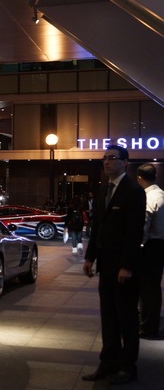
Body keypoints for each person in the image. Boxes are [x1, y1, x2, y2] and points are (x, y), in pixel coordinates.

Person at [82, 145, 146, 384]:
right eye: (104, 159)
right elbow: (97, 226)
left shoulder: (133, 191)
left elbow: (134, 231)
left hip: (124, 268)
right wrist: (89, 258)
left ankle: (128, 367)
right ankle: (107, 363)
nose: (107, 162)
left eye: (112, 159)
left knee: (127, 317)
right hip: (105, 266)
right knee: (108, 317)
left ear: (125, 163)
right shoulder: (103, 190)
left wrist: (127, 265)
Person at [136, 163, 164, 339]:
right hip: (160, 245)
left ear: (140, 178)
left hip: (150, 246)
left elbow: (144, 223)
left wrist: (138, 245)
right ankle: (150, 323)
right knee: (153, 287)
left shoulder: (148, 197)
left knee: (147, 288)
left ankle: (147, 326)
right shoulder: (161, 194)